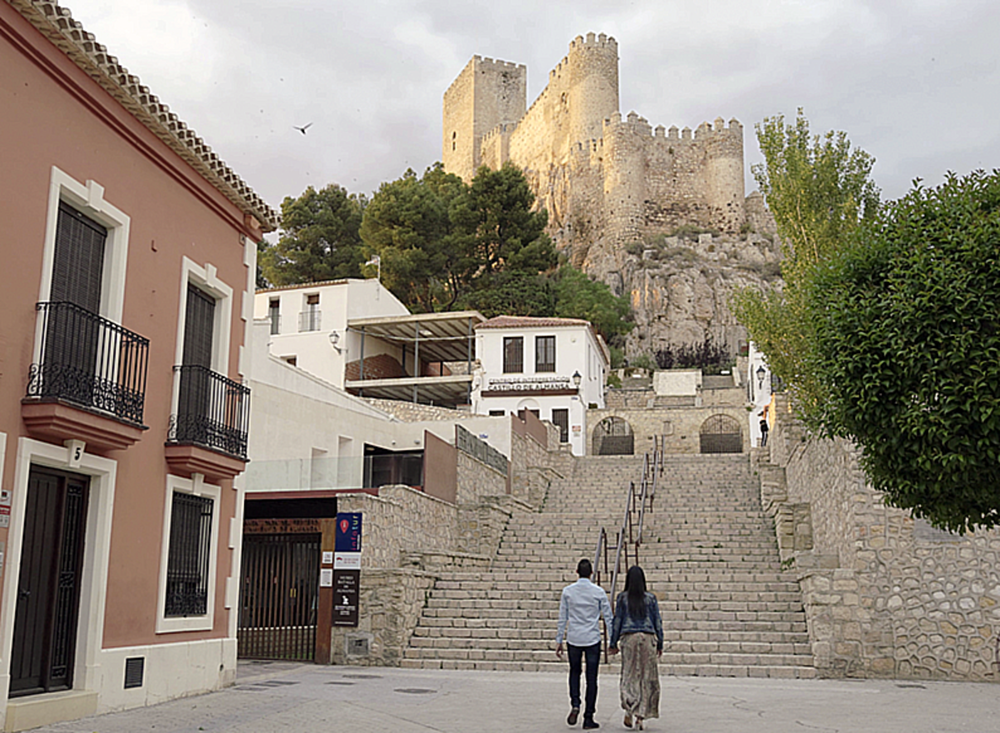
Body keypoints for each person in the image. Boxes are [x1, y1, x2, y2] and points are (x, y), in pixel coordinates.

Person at [556, 558, 614, 729]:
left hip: (574, 638)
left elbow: (562, 617)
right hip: (592, 638)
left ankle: (575, 703)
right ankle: (589, 716)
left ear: (576, 572)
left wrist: (559, 639)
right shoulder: (598, 592)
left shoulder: (568, 592)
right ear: (591, 573)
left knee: (574, 672)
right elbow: (608, 617)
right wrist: (612, 640)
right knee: (591, 678)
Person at [608, 566, 662, 730]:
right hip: (647, 637)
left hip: (629, 637)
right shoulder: (651, 599)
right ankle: (641, 716)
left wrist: (613, 643)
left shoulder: (622, 598)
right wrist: (660, 643)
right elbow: (657, 622)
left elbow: (617, 621)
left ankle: (629, 709)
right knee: (646, 677)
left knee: (629, 674)